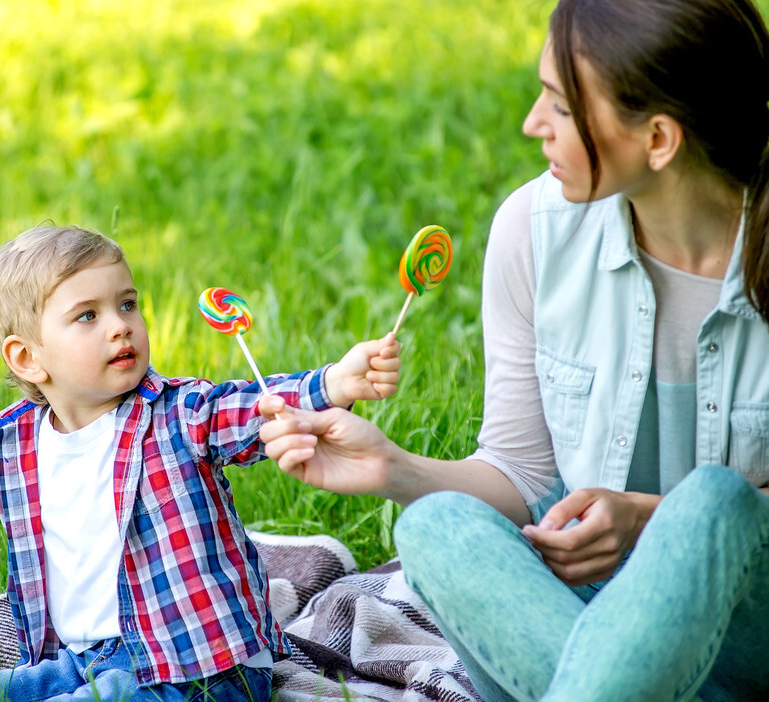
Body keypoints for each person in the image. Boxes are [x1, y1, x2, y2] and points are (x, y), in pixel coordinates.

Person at [257, 0, 769, 700]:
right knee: (436, 525)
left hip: (747, 632)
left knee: (713, 501)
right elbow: (521, 478)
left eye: (560, 107)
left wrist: (652, 520)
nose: (532, 123)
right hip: (568, 615)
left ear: (658, 139)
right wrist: (391, 468)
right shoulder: (534, 229)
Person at [0, 223, 399, 702]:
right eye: (87, 315)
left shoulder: (177, 412)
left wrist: (333, 383)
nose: (119, 324)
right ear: (27, 358)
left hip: (201, 662)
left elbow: (253, 406)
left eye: (127, 303)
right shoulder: (16, 443)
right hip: (90, 654)